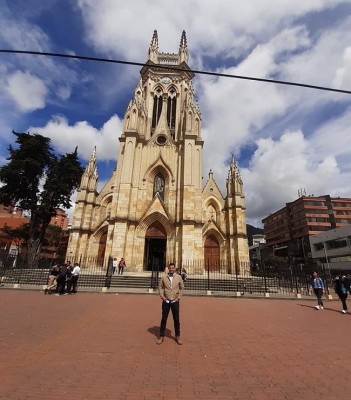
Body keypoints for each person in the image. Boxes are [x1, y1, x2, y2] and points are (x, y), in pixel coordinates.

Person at [157, 263, 184, 345]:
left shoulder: (178, 277)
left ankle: (177, 336)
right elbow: (160, 286)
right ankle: (161, 336)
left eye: (173, 268)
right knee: (164, 318)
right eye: (170, 268)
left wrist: (179, 296)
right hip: (166, 301)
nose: (171, 269)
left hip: (175, 301)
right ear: (168, 269)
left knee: (176, 319)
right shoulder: (164, 277)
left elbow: (182, 287)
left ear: (175, 269)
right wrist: (162, 296)